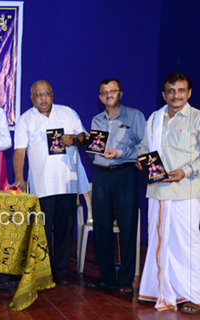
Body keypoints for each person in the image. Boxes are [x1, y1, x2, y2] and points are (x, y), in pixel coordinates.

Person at [13, 80, 89, 286]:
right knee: (43, 231)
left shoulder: (68, 113)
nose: (43, 98)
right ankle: (42, 270)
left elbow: (84, 137)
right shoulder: (25, 120)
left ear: (52, 95)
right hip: (42, 184)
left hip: (67, 182)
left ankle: (61, 270)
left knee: (65, 229)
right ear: (32, 98)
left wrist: (74, 139)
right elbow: (19, 151)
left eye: (46, 93)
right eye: (38, 95)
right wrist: (19, 179)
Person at [137, 72, 200, 313]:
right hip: (157, 191)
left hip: (186, 191)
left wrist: (185, 171)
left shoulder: (197, 118)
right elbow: (144, 147)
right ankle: (160, 290)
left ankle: (192, 295)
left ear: (189, 93)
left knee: (187, 244)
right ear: (164, 94)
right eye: (171, 91)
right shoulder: (154, 118)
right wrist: (141, 160)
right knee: (158, 243)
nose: (176, 95)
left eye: (181, 90)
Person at [85, 78, 145, 295]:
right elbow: (93, 150)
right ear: (100, 97)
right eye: (104, 92)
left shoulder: (135, 116)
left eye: (112, 91)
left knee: (128, 228)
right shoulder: (96, 119)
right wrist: (92, 147)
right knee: (101, 229)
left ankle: (126, 279)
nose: (108, 95)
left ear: (120, 93)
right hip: (101, 176)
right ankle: (107, 276)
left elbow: (143, 147)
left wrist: (119, 153)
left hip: (125, 175)